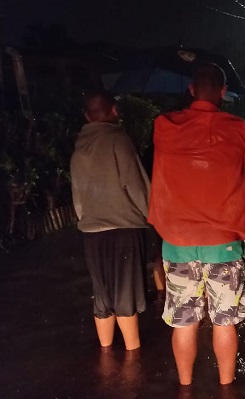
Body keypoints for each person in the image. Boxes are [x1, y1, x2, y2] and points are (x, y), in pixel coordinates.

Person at [148, 63, 245, 387]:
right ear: (223, 92)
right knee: (225, 323)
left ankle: (185, 387)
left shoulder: (164, 125)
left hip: (178, 242)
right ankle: (226, 389)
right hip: (223, 242)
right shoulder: (240, 129)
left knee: (183, 324)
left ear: (192, 89)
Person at [70, 90, 150, 351]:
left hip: (92, 233)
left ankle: (105, 356)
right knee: (124, 296)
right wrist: (154, 217)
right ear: (114, 111)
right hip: (124, 230)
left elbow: (78, 200)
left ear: (86, 116)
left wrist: (89, 220)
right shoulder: (118, 140)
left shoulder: (78, 149)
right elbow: (136, 186)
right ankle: (132, 361)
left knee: (102, 296)